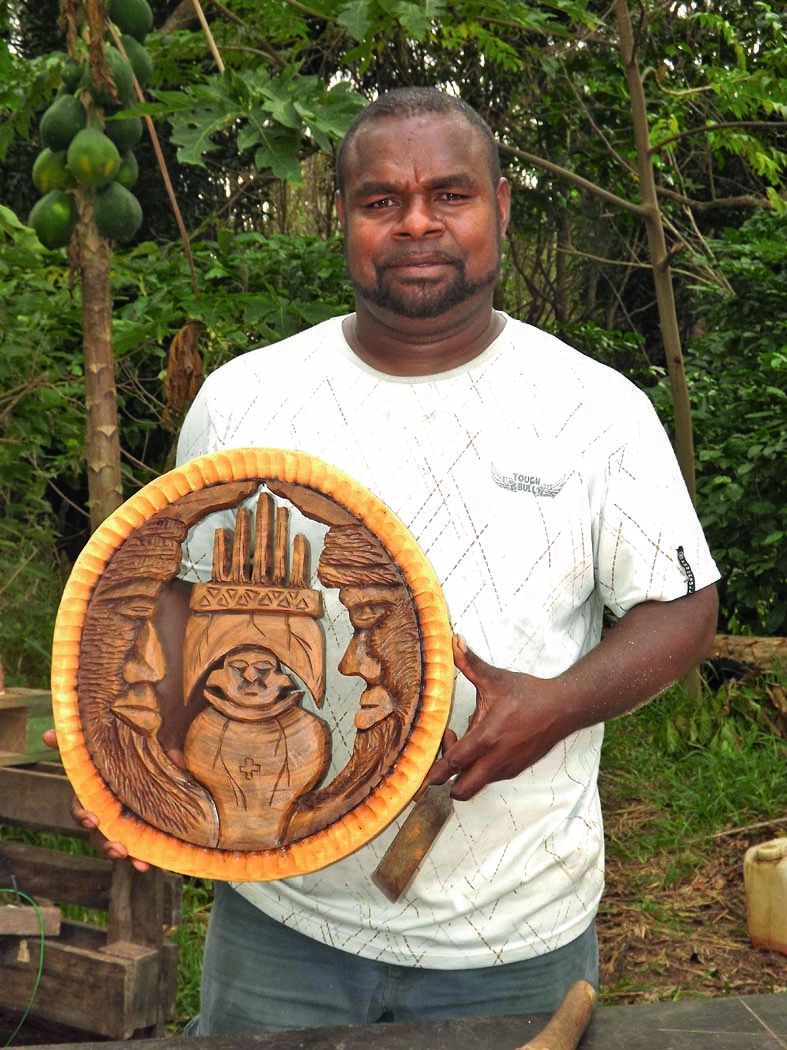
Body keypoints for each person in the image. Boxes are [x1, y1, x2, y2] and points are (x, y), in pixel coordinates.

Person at [56, 87, 719, 1034]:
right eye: (381, 200)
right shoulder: (245, 403)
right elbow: (175, 599)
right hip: (284, 917)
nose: (416, 221)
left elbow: (682, 605)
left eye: (450, 195)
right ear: (344, 217)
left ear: (500, 206)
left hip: (513, 925)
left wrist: (554, 705)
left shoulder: (594, 409)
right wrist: (127, 757)